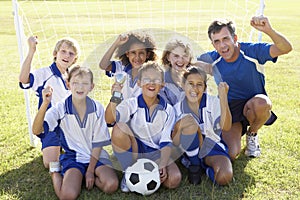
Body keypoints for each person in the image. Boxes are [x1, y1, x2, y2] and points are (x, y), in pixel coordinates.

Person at [197, 16, 292, 159]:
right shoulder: (212, 59)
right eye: (217, 41)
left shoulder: (252, 51)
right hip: (231, 109)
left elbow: (286, 48)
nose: (222, 45)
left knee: (262, 103)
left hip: (253, 104)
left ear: (235, 38)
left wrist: (269, 30)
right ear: (213, 44)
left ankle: (252, 134)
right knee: (231, 152)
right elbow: (188, 61)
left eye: (225, 39)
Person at [32, 66, 119, 199]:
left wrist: (90, 171)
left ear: (91, 87)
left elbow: (98, 143)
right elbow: (37, 130)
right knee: (67, 196)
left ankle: (85, 176)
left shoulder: (98, 108)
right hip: (74, 157)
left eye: (85, 83)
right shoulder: (60, 108)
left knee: (111, 185)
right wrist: (45, 104)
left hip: (97, 155)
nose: (80, 87)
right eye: (75, 83)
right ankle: (55, 172)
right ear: (68, 85)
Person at [105, 61, 182, 192]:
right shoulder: (132, 104)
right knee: (119, 128)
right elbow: (109, 119)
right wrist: (115, 96)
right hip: (136, 149)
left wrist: (163, 163)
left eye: (156, 80)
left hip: (156, 152)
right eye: (146, 79)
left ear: (162, 85)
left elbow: (165, 141)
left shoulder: (168, 110)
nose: (151, 83)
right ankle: (128, 172)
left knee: (174, 179)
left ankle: (151, 175)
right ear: (139, 83)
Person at [19, 36, 80, 168]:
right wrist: (31, 51)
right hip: (51, 126)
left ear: (75, 59)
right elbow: (24, 79)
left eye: (71, 53)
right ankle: (59, 147)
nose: (67, 56)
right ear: (55, 54)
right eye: (63, 51)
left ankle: (68, 147)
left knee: (87, 153)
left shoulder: (73, 76)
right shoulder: (45, 74)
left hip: (70, 125)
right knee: (50, 163)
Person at [172, 66, 233, 185]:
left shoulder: (212, 102)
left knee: (224, 177)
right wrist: (182, 127)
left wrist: (223, 98)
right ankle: (195, 165)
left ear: (205, 87)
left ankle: (207, 169)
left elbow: (226, 127)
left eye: (199, 84)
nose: (195, 88)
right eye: (190, 83)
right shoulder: (176, 108)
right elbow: (174, 141)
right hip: (189, 149)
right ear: (183, 85)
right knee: (188, 123)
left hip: (212, 147)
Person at [99, 30, 158, 100]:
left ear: (147, 55)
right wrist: (115, 44)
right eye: (133, 52)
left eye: (141, 53)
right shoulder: (121, 67)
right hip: (122, 108)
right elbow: (103, 65)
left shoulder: (152, 73)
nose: (137, 57)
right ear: (127, 54)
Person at [160, 36, 212, 106]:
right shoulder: (162, 81)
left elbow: (206, 103)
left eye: (185, 56)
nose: (181, 60)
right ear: (168, 57)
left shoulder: (197, 76)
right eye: (176, 56)